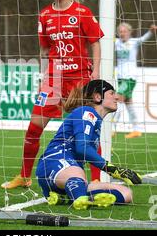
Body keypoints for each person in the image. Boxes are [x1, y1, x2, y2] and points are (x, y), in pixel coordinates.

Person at [1, 0, 104, 189]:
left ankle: (96, 179)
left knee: (87, 130)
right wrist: (45, 76)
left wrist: (95, 72)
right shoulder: (45, 15)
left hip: (79, 79)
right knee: (33, 128)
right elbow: (45, 50)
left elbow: (95, 42)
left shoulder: (82, 13)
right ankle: (24, 176)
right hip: (53, 79)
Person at [36, 79, 142, 210]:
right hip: (55, 163)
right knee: (77, 173)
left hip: (71, 178)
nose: (116, 97)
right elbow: (82, 148)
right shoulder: (86, 112)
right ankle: (79, 199)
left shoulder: (95, 120)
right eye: (112, 93)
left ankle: (67, 197)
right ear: (98, 97)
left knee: (126, 194)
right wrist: (113, 169)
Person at [114, 22, 157, 139]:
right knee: (128, 103)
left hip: (130, 77)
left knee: (118, 99)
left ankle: (112, 128)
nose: (122, 34)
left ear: (129, 32)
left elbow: (143, 38)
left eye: (124, 31)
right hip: (120, 77)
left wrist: (151, 31)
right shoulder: (116, 43)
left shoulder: (133, 42)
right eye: (120, 32)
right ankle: (137, 130)